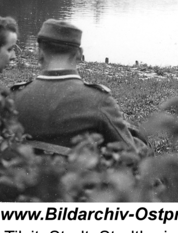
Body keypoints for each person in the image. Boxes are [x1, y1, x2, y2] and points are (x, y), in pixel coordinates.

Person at [12, 19, 145, 154]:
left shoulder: (15, 97)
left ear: (39, 52)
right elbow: (130, 156)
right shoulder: (98, 100)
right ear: (80, 54)